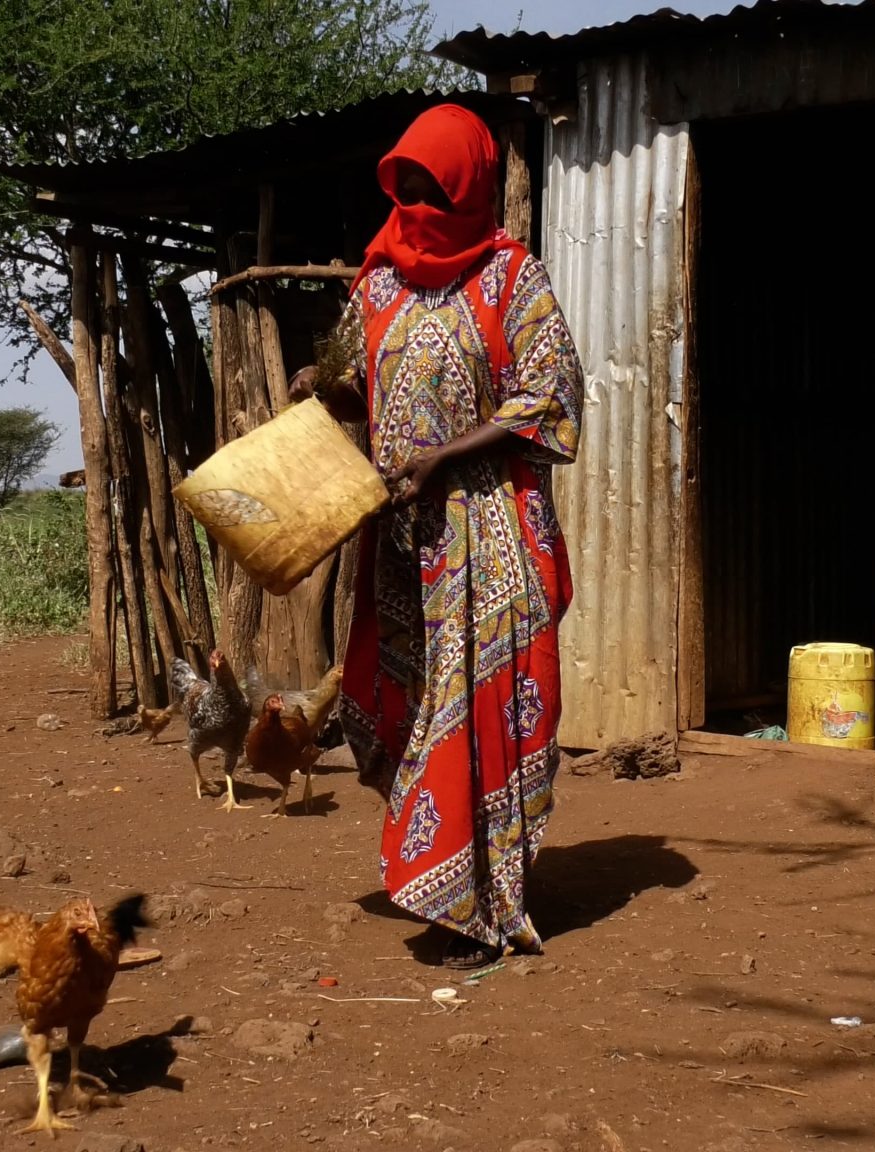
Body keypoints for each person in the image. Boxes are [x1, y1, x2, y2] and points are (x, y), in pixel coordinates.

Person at [289, 104, 584, 969]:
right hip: (404, 543)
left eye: (429, 186)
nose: (413, 203)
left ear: (467, 185)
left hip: (491, 533)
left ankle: (484, 909)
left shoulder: (509, 278)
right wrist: (327, 388)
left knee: (483, 712)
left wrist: (446, 455)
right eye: (401, 186)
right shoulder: (374, 286)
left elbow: (552, 392)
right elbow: (364, 394)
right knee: (415, 708)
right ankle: (448, 887)